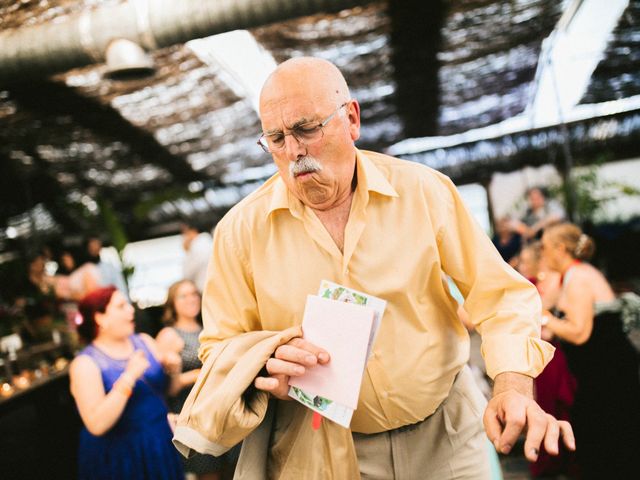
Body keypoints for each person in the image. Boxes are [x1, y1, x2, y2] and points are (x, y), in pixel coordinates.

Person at [173, 57, 574, 479]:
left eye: (307, 129)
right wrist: (264, 363)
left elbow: (502, 297)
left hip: (447, 435)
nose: (294, 151)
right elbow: (219, 349)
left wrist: (512, 387)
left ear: (351, 119)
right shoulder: (240, 232)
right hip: (325, 449)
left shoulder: (423, 191)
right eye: (275, 138)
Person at [540, 223, 640, 479]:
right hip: (595, 374)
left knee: (614, 437)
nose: (543, 254)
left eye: (546, 248)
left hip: (608, 373)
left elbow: (579, 332)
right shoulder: (570, 276)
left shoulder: (580, 278)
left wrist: (544, 318)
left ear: (560, 249)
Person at [69, 286, 184, 480]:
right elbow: (97, 424)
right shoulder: (85, 364)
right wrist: (129, 377)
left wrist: (174, 369)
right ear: (100, 318)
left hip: (159, 443)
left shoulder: (144, 341)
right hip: (121, 455)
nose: (131, 310)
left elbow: (170, 391)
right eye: (121, 306)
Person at [157, 280, 234, 480]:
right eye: (183, 295)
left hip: (222, 411)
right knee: (209, 473)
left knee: (233, 470)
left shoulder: (210, 328)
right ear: (172, 303)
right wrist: (203, 374)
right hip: (194, 416)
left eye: (194, 294)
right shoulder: (169, 335)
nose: (191, 299)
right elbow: (167, 388)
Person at [516, 242, 577, 478]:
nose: (519, 265)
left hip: (544, 355)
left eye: (522, 261)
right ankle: (557, 459)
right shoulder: (536, 284)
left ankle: (549, 462)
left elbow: (543, 326)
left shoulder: (529, 286)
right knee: (549, 407)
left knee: (547, 406)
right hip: (545, 353)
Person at [181, 222, 213, 293]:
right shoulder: (210, 242)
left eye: (184, 234)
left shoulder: (197, 246)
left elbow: (187, 274)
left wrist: (187, 251)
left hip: (207, 291)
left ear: (192, 231)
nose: (183, 237)